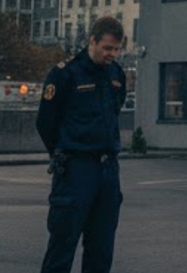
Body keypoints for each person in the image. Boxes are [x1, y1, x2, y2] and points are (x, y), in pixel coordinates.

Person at [36, 15, 128, 273]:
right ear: (93, 41)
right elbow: (46, 122)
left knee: (101, 250)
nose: (112, 54)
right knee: (62, 247)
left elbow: (116, 108)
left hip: (108, 171)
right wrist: (64, 151)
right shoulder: (65, 74)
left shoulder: (116, 74)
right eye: (107, 48)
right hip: (76, 168)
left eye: (116, 49)